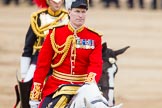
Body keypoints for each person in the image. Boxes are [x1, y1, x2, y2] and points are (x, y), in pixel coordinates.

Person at [29, 0, 107, 107]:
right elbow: (42, 67)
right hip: (56, 86)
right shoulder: (54, 33)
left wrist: (89, 85)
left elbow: (96, 64)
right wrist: (35, 95)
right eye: (77, 11)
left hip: (84, 86)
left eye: (83, 12)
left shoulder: (94, 37)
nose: (80, 15)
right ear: (69, 11)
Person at [16, 0, 69, 108]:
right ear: (48, 1)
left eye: (60, 1)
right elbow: (28, 47)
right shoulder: (37, 18)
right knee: (26, 80)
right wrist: (24, 72)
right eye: (54, 1)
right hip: (39, 58)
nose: (57, 4)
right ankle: (25, 105)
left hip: (61, 58)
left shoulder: (68, 17)